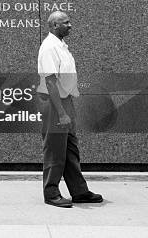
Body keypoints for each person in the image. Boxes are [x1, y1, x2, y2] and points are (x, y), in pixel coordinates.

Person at [37, 11, 103, 208]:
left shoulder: (61, 46)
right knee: (55, 150)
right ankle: (51, 193)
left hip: (65, 102)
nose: (70, 25)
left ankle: (79, 191)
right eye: (66, 23)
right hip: (54, 103)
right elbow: (50, 82)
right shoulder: (49, 48)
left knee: (70, 149)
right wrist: (62, 112)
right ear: (55, 25)